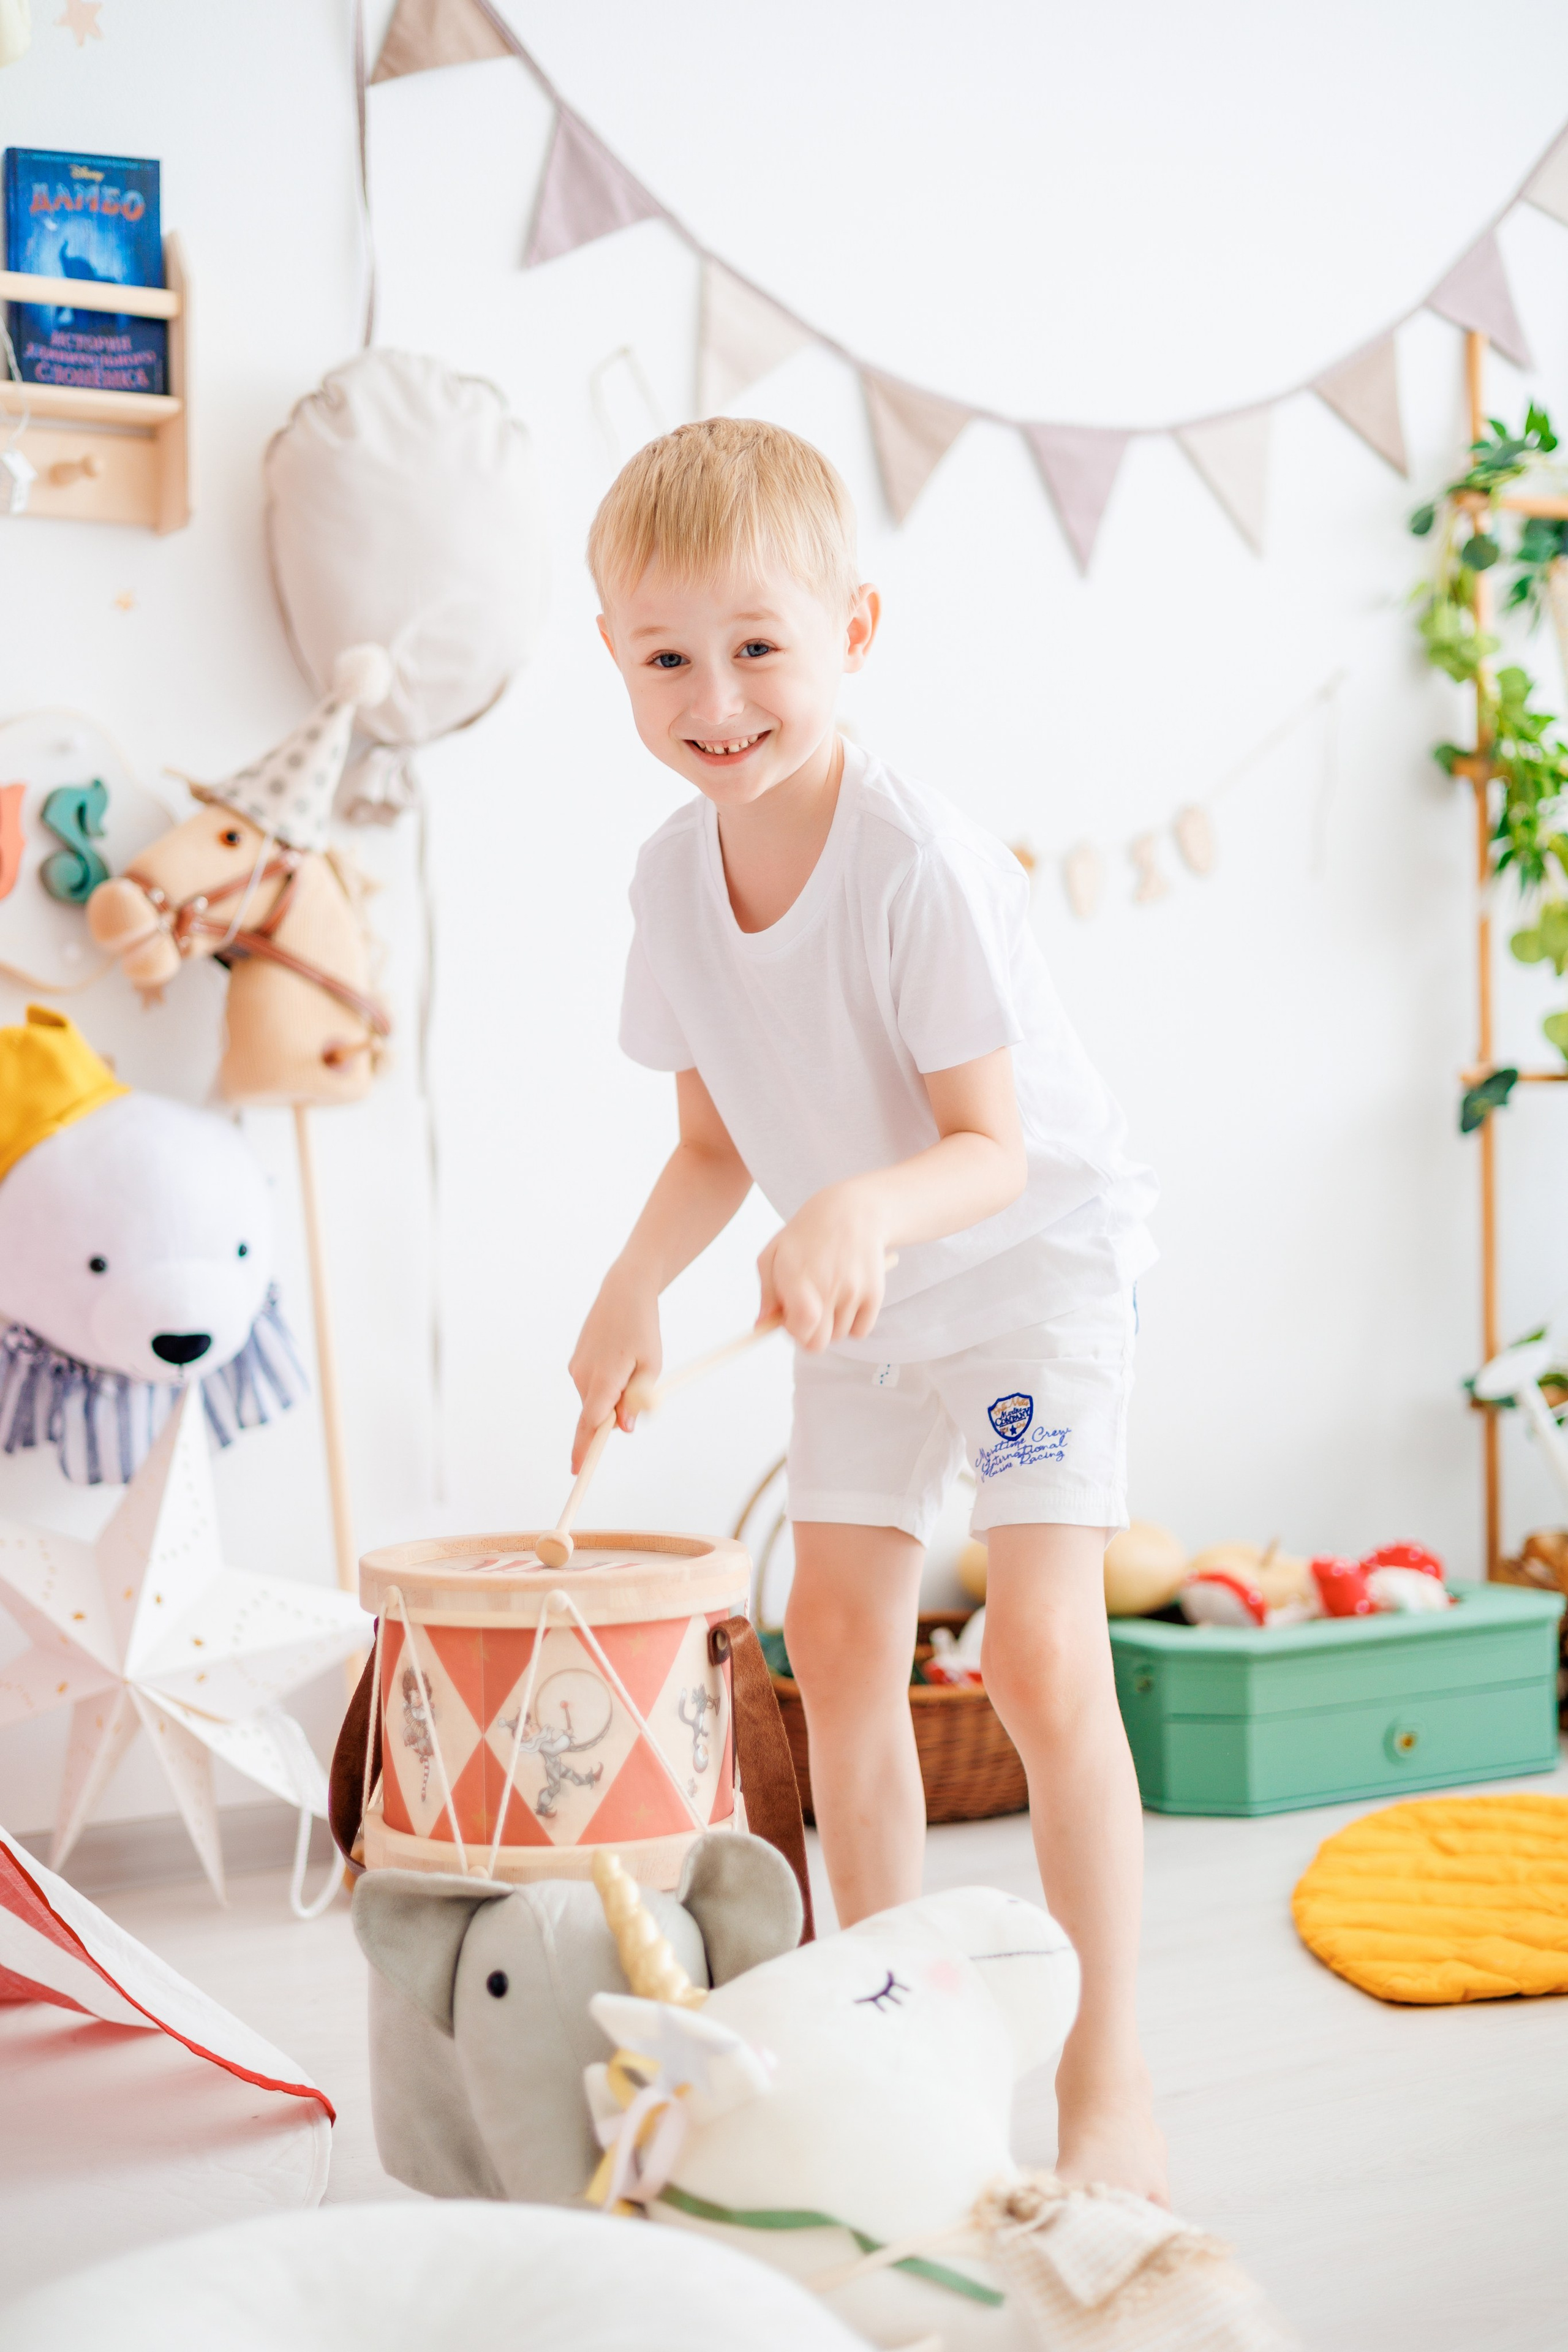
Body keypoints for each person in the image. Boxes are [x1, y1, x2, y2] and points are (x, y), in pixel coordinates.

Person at [568, 417, 1164, 2201]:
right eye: (667, 654)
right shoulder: (674, 879)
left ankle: (1110, 2079)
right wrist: (630, 1286)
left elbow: (990, 1149)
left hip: (1027, 1274)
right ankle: (901, 2041)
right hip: (869, 1292)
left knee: (1049, 1659)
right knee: (832, 1646)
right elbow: (707, 1142)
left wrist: (856, 1209)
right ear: (614, 656)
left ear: (855, 631)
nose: (716, 696)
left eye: (760, 646)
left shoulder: (917, 863)